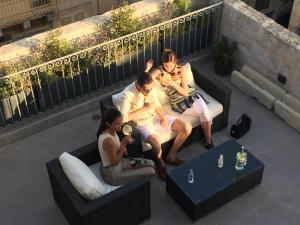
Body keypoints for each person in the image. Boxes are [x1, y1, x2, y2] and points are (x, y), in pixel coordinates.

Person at [112, 64, 192, 181]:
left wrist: (162, 116)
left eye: (151, 88)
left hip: (155, 117)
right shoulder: (127, 95)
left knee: (186, 127)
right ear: (139, 86)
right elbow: (122, 118)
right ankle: (160, 163)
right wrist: (143, 109)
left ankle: (171, 156)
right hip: (142, 124)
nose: (150, 91)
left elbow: (156, 104)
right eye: (147, 90)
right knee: (156, 143)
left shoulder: (150, 87)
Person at [151, 49, 214, 150]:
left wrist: (172, 83)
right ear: (162, 63)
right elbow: (149, 78)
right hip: (179, 103)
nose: (168, 68)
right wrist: (150, 71)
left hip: (191, 96)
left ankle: (208, 141)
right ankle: (209, 142)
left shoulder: (181, 70)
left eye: (171, 65)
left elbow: (185, 92)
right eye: (166, 65)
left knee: (205, 113)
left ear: (175, 62)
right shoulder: (160, 71)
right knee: (205, 113)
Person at [97, 108, 155, 186]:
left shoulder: (111, 131)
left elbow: (114, 148)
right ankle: (140, 188)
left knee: (151, 163)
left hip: (119, 163)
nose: (120, 125)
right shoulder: (108, 140)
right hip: (112, 173)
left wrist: (121, 145)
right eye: (117, 124)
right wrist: (123, 144)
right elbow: (114, 163)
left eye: (121, 122)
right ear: (108, 124)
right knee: (151, 171)